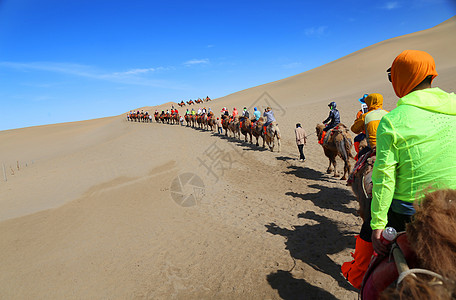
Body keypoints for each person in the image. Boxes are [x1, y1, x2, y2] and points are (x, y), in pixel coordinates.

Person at [370, 50, 456, 256]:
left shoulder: (392, 120)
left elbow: (384, 177)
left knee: (374, 258)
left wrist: (377, 225)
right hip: (453, 203)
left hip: (410, 212)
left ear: (401, 78)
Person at [351, 93, 388, 158]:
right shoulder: (388, 114)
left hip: (372, 145)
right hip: (387, 145)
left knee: (360, 155)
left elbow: (354, 129)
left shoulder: (364, 115)